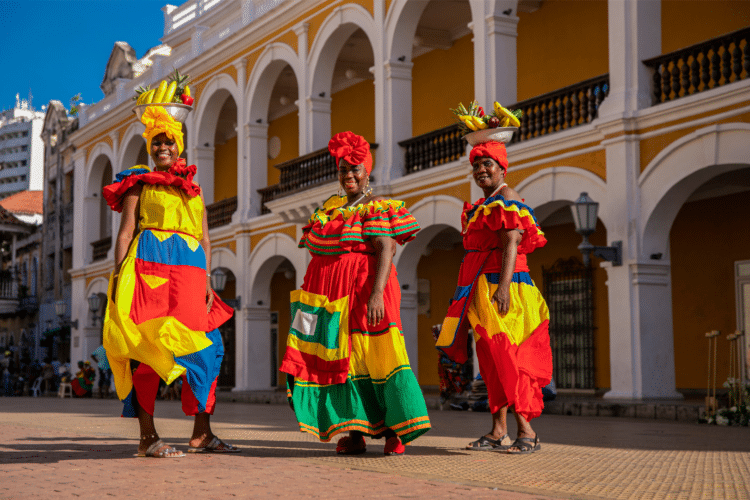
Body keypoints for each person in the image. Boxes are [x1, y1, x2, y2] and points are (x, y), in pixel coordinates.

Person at [280, 131, 430, 456]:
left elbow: (386, 247)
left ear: (367, 172)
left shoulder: (376, 207)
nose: (349, 175)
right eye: (343, 169)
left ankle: (394, 431)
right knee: (340, 360)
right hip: (329, 300)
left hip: (367, 292)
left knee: (377, 355)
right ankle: (355, 431)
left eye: (355, 169)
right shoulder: (330, 211)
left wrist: (377, 294)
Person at [102, 104, 237, 458]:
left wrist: (208, 280)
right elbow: (126, 232)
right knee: (147, 351)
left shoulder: (194, 190)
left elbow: (205, 238)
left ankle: (201, 433)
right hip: (149, 272)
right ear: (150, 147)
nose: (163, 148)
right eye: (156, 143)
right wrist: (117, 278)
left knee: (207, 349)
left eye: (169, 142)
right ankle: (148, 437)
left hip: (191, 275)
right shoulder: (139, 184)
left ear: (180, 146)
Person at [436, 140, 551, 455]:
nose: (480, 170)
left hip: (504, 286)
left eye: (487, 164)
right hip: (480, 289)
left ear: (502, 168)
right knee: (490, 363)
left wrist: (502, 287)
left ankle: (527, 431)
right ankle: (498, 430)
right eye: (476, 165)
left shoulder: (507, 198)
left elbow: (511, 242)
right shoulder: (481, 205)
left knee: (509, 359)